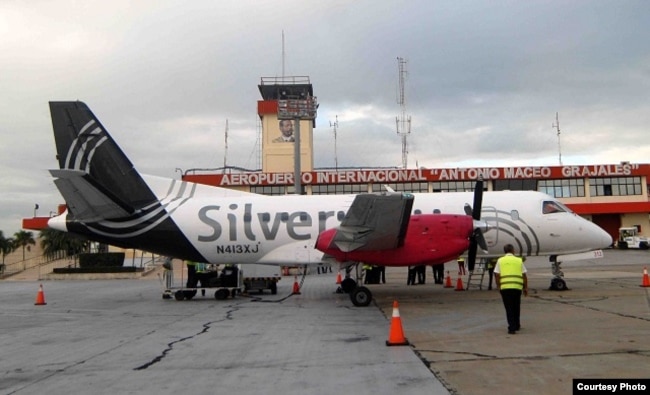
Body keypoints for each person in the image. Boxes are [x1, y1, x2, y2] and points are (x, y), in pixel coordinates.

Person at [494, 244, 528, 334]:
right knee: (516, 306)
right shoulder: (518, 260)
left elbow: (497, 275)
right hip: (517, 287)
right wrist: (525, 288)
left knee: (509, 308)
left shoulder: (500, 260)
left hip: (505, 288)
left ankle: (511, 328)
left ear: (504, 251)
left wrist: (498, 286)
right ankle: (517, 325)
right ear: (513, 250)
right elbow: (524, 275)